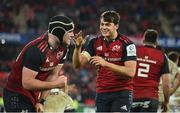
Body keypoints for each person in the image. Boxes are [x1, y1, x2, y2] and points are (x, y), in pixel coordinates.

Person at [3, 15, 75, 112]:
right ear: (59, 32)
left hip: (34, 96)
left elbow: (52, 75)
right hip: (16, 94)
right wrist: (55, 84)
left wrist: (41, 101)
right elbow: (27, 83)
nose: (73, 35)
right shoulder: (36, 50)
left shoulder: (64, 49)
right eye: (70, 31)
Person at [73, 10, 137, 112]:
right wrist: (77, 48)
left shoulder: (128, 44)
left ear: (116, 26)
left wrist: (105, 63)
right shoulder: (94, 42)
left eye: (107, 24)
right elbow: (77, 64)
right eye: (102, 24)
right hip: (102, 93)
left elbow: (131, 72)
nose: (103, 27)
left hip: (122, 93)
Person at [131, 29, 170, 112]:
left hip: (132, 97)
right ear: (156, 42)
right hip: (151, 98)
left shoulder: (134, 51)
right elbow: (166, 84)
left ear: (143, 40)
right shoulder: (162, 56)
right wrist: (166, 102)